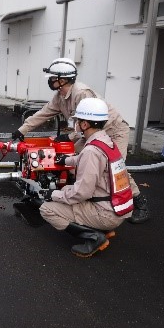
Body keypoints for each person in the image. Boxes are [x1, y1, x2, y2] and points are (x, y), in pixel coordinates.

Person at [11, 57, 150, 224]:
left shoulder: (82, 93)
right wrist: (22, 129)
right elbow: (43, 113)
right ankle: (83, 194)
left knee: (114, 167)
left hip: (113, 130)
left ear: (62, 80)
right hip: (89, 132)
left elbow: (90, 123)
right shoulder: (60, 96)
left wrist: (69, 136)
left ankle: (139, 202)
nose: (50, 81)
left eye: (52, 78)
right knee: (74, 155)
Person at [39, 98, 133, 258]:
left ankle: (95, 237)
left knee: (47, 208)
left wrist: (52, 194)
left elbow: (82, 193)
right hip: (117, 206)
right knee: (68, 191)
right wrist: (65, 160)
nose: (75, 124)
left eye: (78, 121)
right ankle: (103, 229)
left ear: (84, 124)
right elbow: (86, 158)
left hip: (106, 213)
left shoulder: (91, 151)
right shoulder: (106, 141)